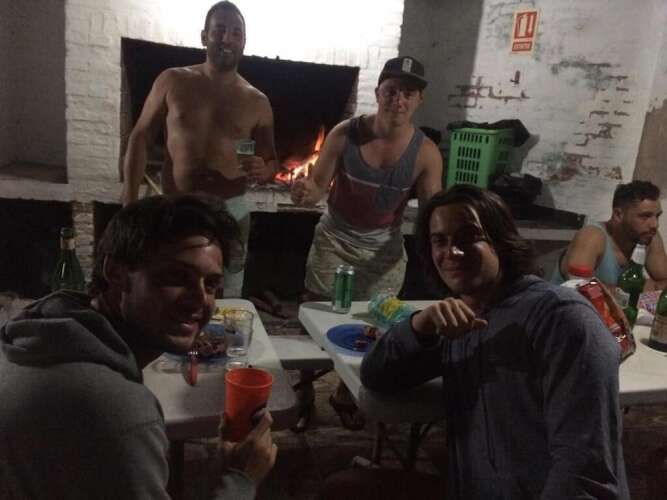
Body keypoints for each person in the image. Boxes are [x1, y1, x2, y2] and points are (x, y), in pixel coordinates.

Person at [357, 185, 629, 499]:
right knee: (346, 487)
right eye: (440, 241)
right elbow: (376, 375)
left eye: (469, 237)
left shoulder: (561, 319)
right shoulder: (462, 318)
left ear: (501, 241)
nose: (452, 252)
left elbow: (584, 472)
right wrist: (420, 326)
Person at [0, 194, 277, 499]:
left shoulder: (36, 332)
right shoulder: (120, 412)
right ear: (116, 273)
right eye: (176, 277)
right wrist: (240, 479)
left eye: (210, 284)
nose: (200, 299)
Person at [290, 55, 443, 430]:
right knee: (314, 318)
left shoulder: (425, 153)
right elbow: (318, 187)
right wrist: (305, 193)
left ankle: (345, 394)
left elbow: (432, 213)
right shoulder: (345, 134)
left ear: (419, 100)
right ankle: (304, 395)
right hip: (335, 239)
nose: (398, 100)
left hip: (383, 250)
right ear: (377, 92)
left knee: (371, 327)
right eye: (391, 90)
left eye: (408, 93)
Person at [121, 0, 278, 298]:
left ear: (244, 42)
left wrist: (264, 169)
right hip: (176, 206)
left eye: (236, 33)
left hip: (231, 211)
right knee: (171, 286)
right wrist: (129, 200)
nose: (227, 38)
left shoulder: (258, 102)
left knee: (227, 294)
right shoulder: (172, 80)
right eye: (219, 30)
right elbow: (140, 136)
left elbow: (271, 162)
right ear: (204, 36)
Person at [553, 180, 667, 287]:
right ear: (618, 214)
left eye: (657, 216)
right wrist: (634, 289)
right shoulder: (591, 237)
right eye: (645, 216)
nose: (655, 224)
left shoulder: (648, 237)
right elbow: (578, 286)